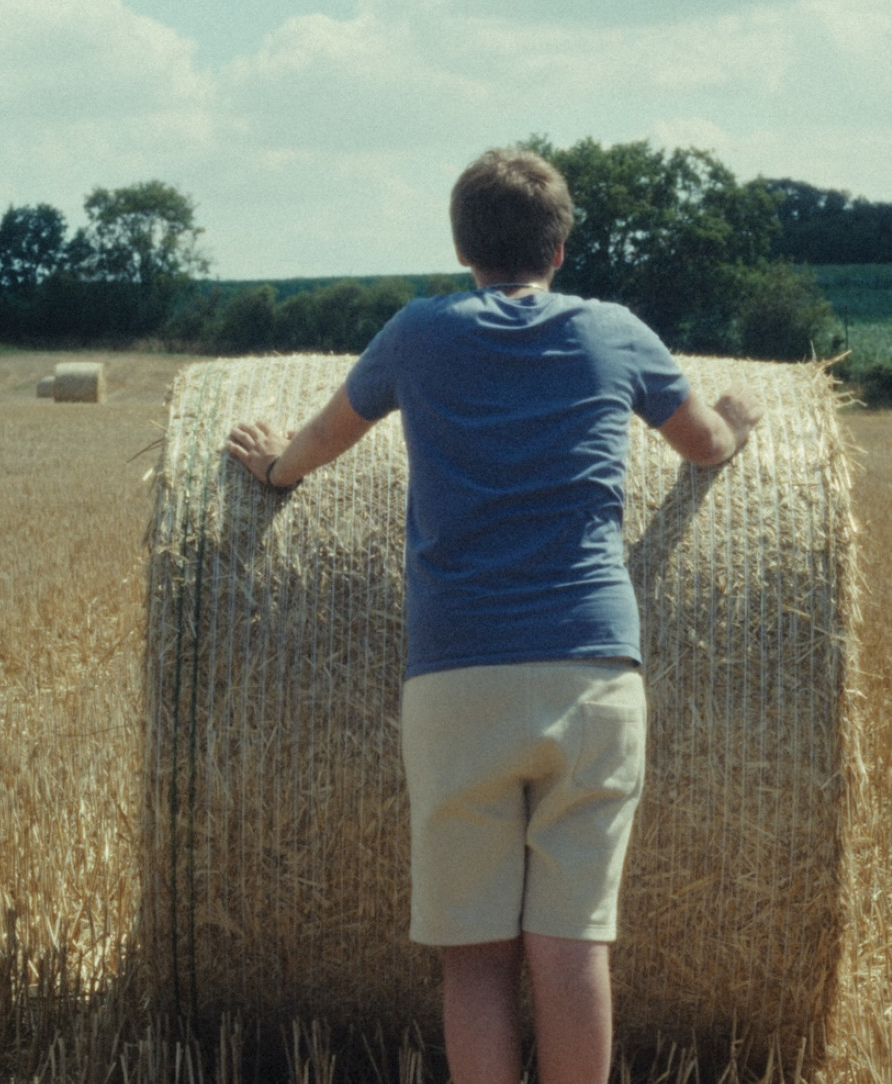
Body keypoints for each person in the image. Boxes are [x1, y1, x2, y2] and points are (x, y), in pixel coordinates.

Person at [224, 147, 760, 1084]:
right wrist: (738, 422)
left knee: (475, 957)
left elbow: (324, 439)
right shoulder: (614, 332)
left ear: (461, 244)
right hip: (591, 678)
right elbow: (706, 448)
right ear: (561, 246)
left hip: (457, 682)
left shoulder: (418, 334)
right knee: (571, 947)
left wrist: (272, 470)